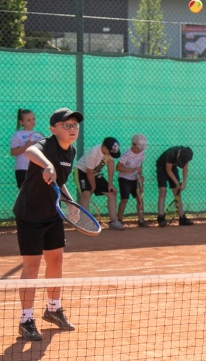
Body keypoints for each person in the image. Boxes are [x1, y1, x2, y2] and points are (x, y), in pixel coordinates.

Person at [12, 108, 84, 342]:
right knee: (32, 265)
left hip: (52, 211)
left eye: (75, 125)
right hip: (29, 213)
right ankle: (26, 319)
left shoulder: (71, 150)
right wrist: (47, 165)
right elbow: (32, 150)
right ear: (53, 129)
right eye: (66, 125)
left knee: (56, 260)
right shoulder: (46, 145)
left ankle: (53, 309)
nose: (72, 129)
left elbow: (60, 183)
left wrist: (70, 200)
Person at [76, 136, 124, 230]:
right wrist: (93, 187)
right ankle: (84, 223)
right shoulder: (94, 153)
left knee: (111, 192)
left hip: (95, 173)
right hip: (82, 172)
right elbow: (89, 171)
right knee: (86, 194)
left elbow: (110, 165)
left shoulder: (109, 153)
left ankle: (113, 222)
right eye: (110, 153)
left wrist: (110, 184)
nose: (111, 155)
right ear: (105, 148)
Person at [155, 146, 194, 227]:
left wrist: (184, 182)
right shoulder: (171, 154)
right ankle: (161, 217)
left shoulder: (186, 154)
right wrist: (177, 183)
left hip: (173, 168)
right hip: (162, 168)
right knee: (163, 191)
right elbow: (168, 170)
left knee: (177, 192)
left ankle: (182, 218)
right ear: (179, 154)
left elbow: (185, 169)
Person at [116, 134, 149, 227]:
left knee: (140, 199)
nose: (141, 149)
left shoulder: (142, 154)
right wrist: (132, 170)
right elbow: (118, 167)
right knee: (124, 199)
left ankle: (141, 220)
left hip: (135, 179)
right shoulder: (126, 154)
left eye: (143, 147)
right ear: (133, 144)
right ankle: (119, 220)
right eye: (139, 147)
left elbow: (139, 165)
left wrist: (140, 175)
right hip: (124, 179)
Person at [9, 109, 43, 189]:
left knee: (36, 192)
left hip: (37, 168)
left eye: (33, 119)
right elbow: (13, 152)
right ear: (21, 122)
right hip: (22, 168)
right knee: (23, 193)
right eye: (28, 120)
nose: (32, 121)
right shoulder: (17, 135)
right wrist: (26, 147)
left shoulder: (39, 136)